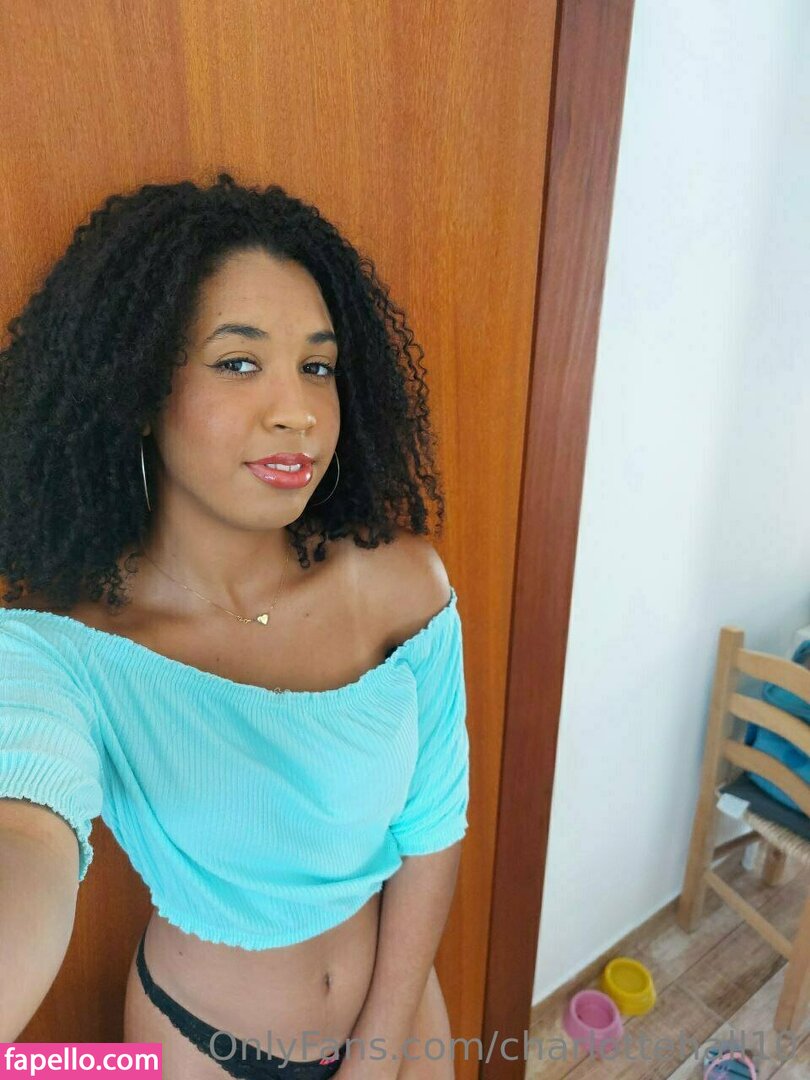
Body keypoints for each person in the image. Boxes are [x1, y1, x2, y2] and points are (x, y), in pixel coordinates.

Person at [0, 173, 470, 1079]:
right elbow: (23, 829)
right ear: (141, 390)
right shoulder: (61, 651)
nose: (298, 410)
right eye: (239, 362)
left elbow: (433, 827)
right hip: (197, 1045)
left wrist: (379, 1055)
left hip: (402, 1024)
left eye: (317, 367)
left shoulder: (403, 588)